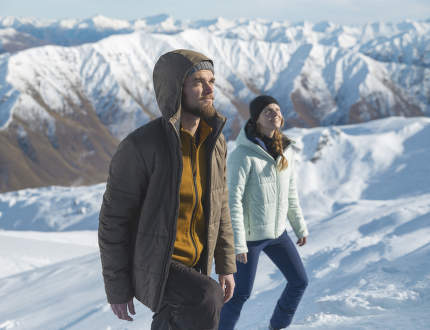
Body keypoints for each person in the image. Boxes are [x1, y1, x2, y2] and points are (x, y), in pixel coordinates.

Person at [98, 49, 237, 330]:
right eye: (199, 81)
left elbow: (220, 206)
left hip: (197, 263)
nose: (210, 89)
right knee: (205, 296)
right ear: (176, 89)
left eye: (212, 80)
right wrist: (117, 287)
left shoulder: (215, 142)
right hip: (156, 264)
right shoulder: (141, 147)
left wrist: (225, 264)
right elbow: (114, 221)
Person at [218, 95, 309, 330]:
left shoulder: (286, 151)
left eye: (277, 109)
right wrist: (238, 243)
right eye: (268, 110)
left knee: (299, 281)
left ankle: (277, 327)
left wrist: (299, 226)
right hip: (249, 240)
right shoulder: (242, 155)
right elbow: (232, 201)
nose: (275, 113)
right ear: (256, 119)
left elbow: (290, 193)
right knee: (238, 294)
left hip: (278, 234)